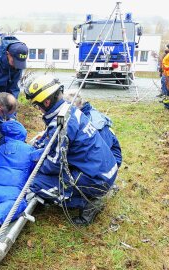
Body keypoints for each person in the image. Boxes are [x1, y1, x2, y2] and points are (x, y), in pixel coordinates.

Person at [25, 75, 119, 226]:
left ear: (46, 102)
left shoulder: (60, 125)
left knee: (35, 182)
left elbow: (54, 164)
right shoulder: (69, 110)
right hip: (104, 170)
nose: (38, 109)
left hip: (96, 179)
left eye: (37, 105)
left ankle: (87, 203)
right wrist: (40, 146)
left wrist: (31, 161)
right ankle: (91, 193)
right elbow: (55, 142)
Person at [65, 92, 122, 167]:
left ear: (77, 105)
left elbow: (102, 151)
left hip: (108, 162)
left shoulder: (96, 124)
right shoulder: (82, 112)